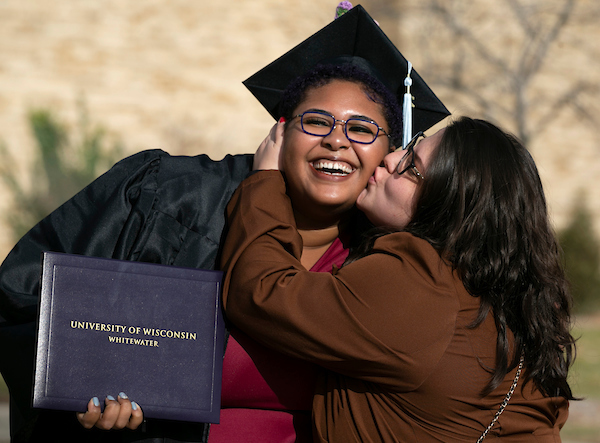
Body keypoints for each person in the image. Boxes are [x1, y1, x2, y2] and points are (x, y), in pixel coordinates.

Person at [0, 4, 449, 442]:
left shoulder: (386, 257)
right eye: (316, 121)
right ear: (280, 130)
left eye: (363, 129)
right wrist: (77, 394)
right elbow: (24, 290)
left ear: (391, 151)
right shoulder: (172, 196)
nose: (336, 141)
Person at [220, 116, 576, 442]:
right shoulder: (503, 300)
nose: (390, 159)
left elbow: (260, 291)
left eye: (411, 168)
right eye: (407, 148)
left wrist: (264, 180)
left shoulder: (418, 280)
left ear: (448, 206)